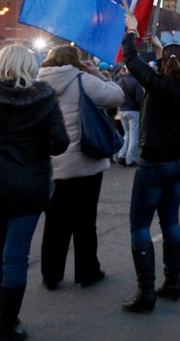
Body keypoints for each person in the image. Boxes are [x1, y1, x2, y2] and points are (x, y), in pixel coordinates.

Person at [0, 45, 69, 340]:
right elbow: (59, 143)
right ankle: (8, 326)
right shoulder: (45, 98)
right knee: (16, 256)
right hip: (28, 184)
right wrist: (33, 147)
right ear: (29, 66)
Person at [121, 17, 180, 313]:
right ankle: (173, 283)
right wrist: (161, 50)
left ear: (164, 65)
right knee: (170, 222)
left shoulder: (157, 85)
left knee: (140, 225)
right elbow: (174, 74)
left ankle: (146, 293)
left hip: (154, 164)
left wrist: (131, 30)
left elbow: (130, 59)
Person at [37, 46, 124, 292]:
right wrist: (98, 73)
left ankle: (50, 275)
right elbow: (117, 96)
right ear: (75, 61)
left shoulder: (38, 84)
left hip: (52, 164)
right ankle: (87, 271)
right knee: (85, 220)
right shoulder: (83, 80)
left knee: (54, 222)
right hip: (84, 163)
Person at [117, 65, 145, 167]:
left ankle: (121, 155)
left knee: (127, 134)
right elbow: (139, 98)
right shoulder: (136, 81)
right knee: (133, 136)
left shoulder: (120, 81)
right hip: (133, 111)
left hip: (122, 110)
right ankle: (130, 159)